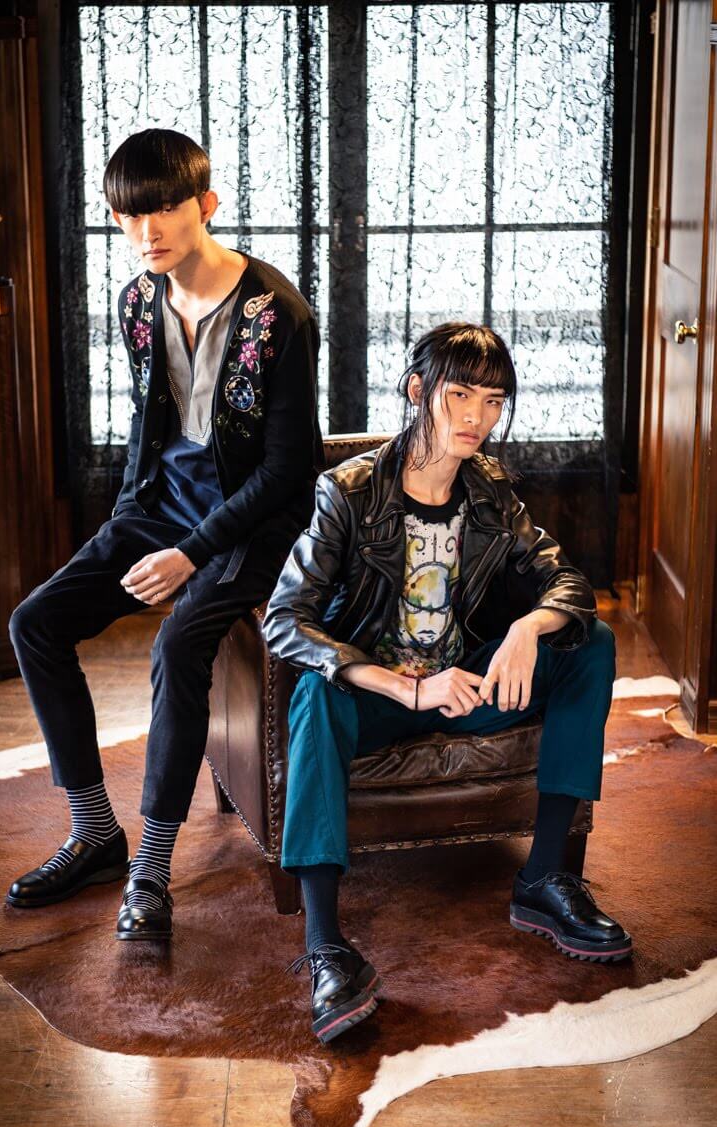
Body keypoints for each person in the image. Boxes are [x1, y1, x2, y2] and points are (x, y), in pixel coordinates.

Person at [261, 322, 631, 1045]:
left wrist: (526, 631)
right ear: (417, 391)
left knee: (589, 643)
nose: (476, 417)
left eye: (492, 402)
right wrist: (405, 688)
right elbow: (284, 620)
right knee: (316, 693)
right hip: (380, 699)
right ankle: (326, 947)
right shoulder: (349, 491)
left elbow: (563, 579)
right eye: (459, 395)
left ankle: (543, 878)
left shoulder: (489, 489)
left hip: (465, 688)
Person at [7, 128, 324, 940]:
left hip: (254, 526)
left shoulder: (277, 314)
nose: (145, 230)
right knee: (35, 623)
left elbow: (288, 470)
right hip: (161, 507)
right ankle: (94, 833)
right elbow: (145, 427)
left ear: (205, 205)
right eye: (127, 214)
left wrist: (191, 554)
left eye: (163, 209)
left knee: (178, 645)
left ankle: (149, 871)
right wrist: (126, 522)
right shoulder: (138, 303)